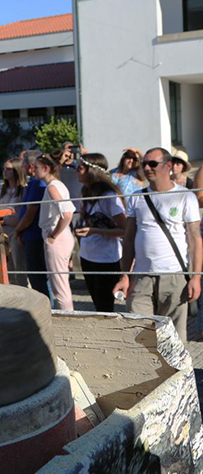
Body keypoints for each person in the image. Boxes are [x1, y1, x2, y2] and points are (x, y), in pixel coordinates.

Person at [114, 147, 202, 343]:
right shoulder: (136, 196)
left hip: (174, 276)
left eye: (152, 163)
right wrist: (125, 275)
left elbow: (195, 238)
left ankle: (178, 374)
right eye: (144, 163)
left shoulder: (185, 196)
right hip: (141, 277)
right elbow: (128, 239)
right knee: (138, 335)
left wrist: (195, 277)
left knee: (174, 340)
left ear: (168, 166)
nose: (147, 167)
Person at [75, 153, 126, 312]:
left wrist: (95, 231)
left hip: (106, 259)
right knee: (97, 304)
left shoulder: (109, 196)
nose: (76, 170)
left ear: (92, 170)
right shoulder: (85, 192)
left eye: (80, 167)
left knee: (105, 306)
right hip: (87, 255)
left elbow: (125, 230)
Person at [35, 153, 75, 310]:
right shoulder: (58, 185)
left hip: (56, 236)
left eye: (36, 168)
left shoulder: (53, 187)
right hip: (60, 234)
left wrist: (53, 236)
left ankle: (68, 321)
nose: (33, 171)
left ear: (46, 168)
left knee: (60, 286)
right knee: (60, 282)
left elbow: (67, 213)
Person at [13, 150, 50, 298]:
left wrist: (17, 230)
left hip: (34, 236)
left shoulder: (37, 184)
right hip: (30, 235)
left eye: (23, 163)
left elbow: (30, 214)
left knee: (38, 278)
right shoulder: (33, 183)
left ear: (30, 165)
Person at [0, 157, 28, 287]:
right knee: (8, 266)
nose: (5, 171)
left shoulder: (23, 190)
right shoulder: (2, 190)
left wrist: (5, 221)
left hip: (17, 231)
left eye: (9, 169)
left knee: (19, 265)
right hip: (3, 231)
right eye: (4, 168)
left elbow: (22, 214)